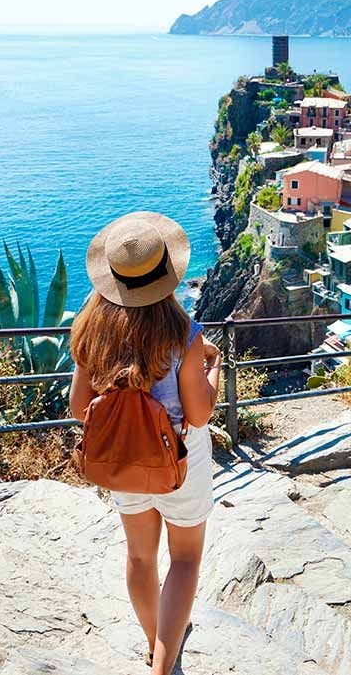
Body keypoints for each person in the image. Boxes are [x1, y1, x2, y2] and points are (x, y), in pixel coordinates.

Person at [68, 212, 221, 674]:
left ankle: (154, 644)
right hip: (180, 463)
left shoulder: (90, 333)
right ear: (167, 275)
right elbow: (199, 414)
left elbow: (80, 408)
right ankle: (163, 664)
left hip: (123, 459)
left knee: (138, 555)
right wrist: (213, 365)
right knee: (186, 559)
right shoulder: (185, 336)